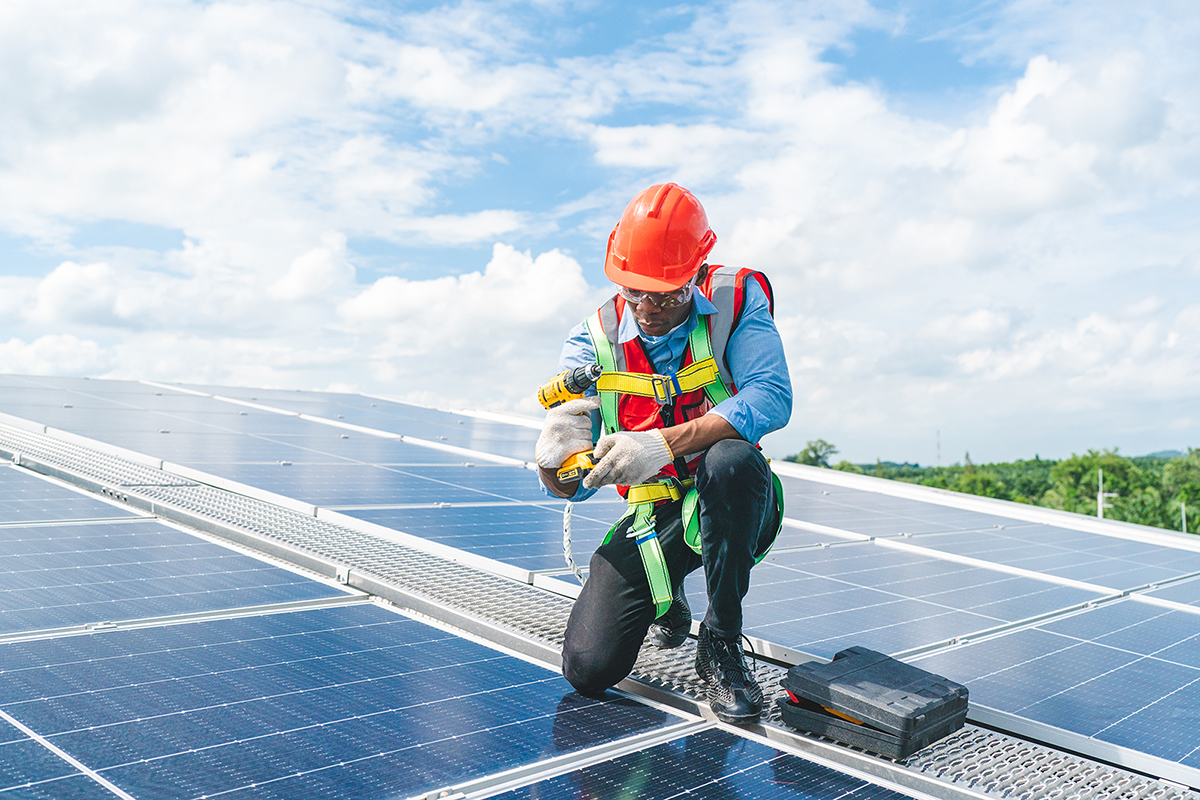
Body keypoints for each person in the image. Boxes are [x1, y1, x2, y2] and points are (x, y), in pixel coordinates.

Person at [535, 182, 792, 723]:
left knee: (732, 461)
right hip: (658, 514)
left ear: (697, 273)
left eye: (666, 293)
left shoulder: (736, 302)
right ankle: (664, 590)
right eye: (634, 292)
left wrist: (661, 444)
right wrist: (554, 465)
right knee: (587, 667)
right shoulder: (594, 343)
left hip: (734, 497)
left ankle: (721, 643)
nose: (647, 309)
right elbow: (574, 488)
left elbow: (771, 396)